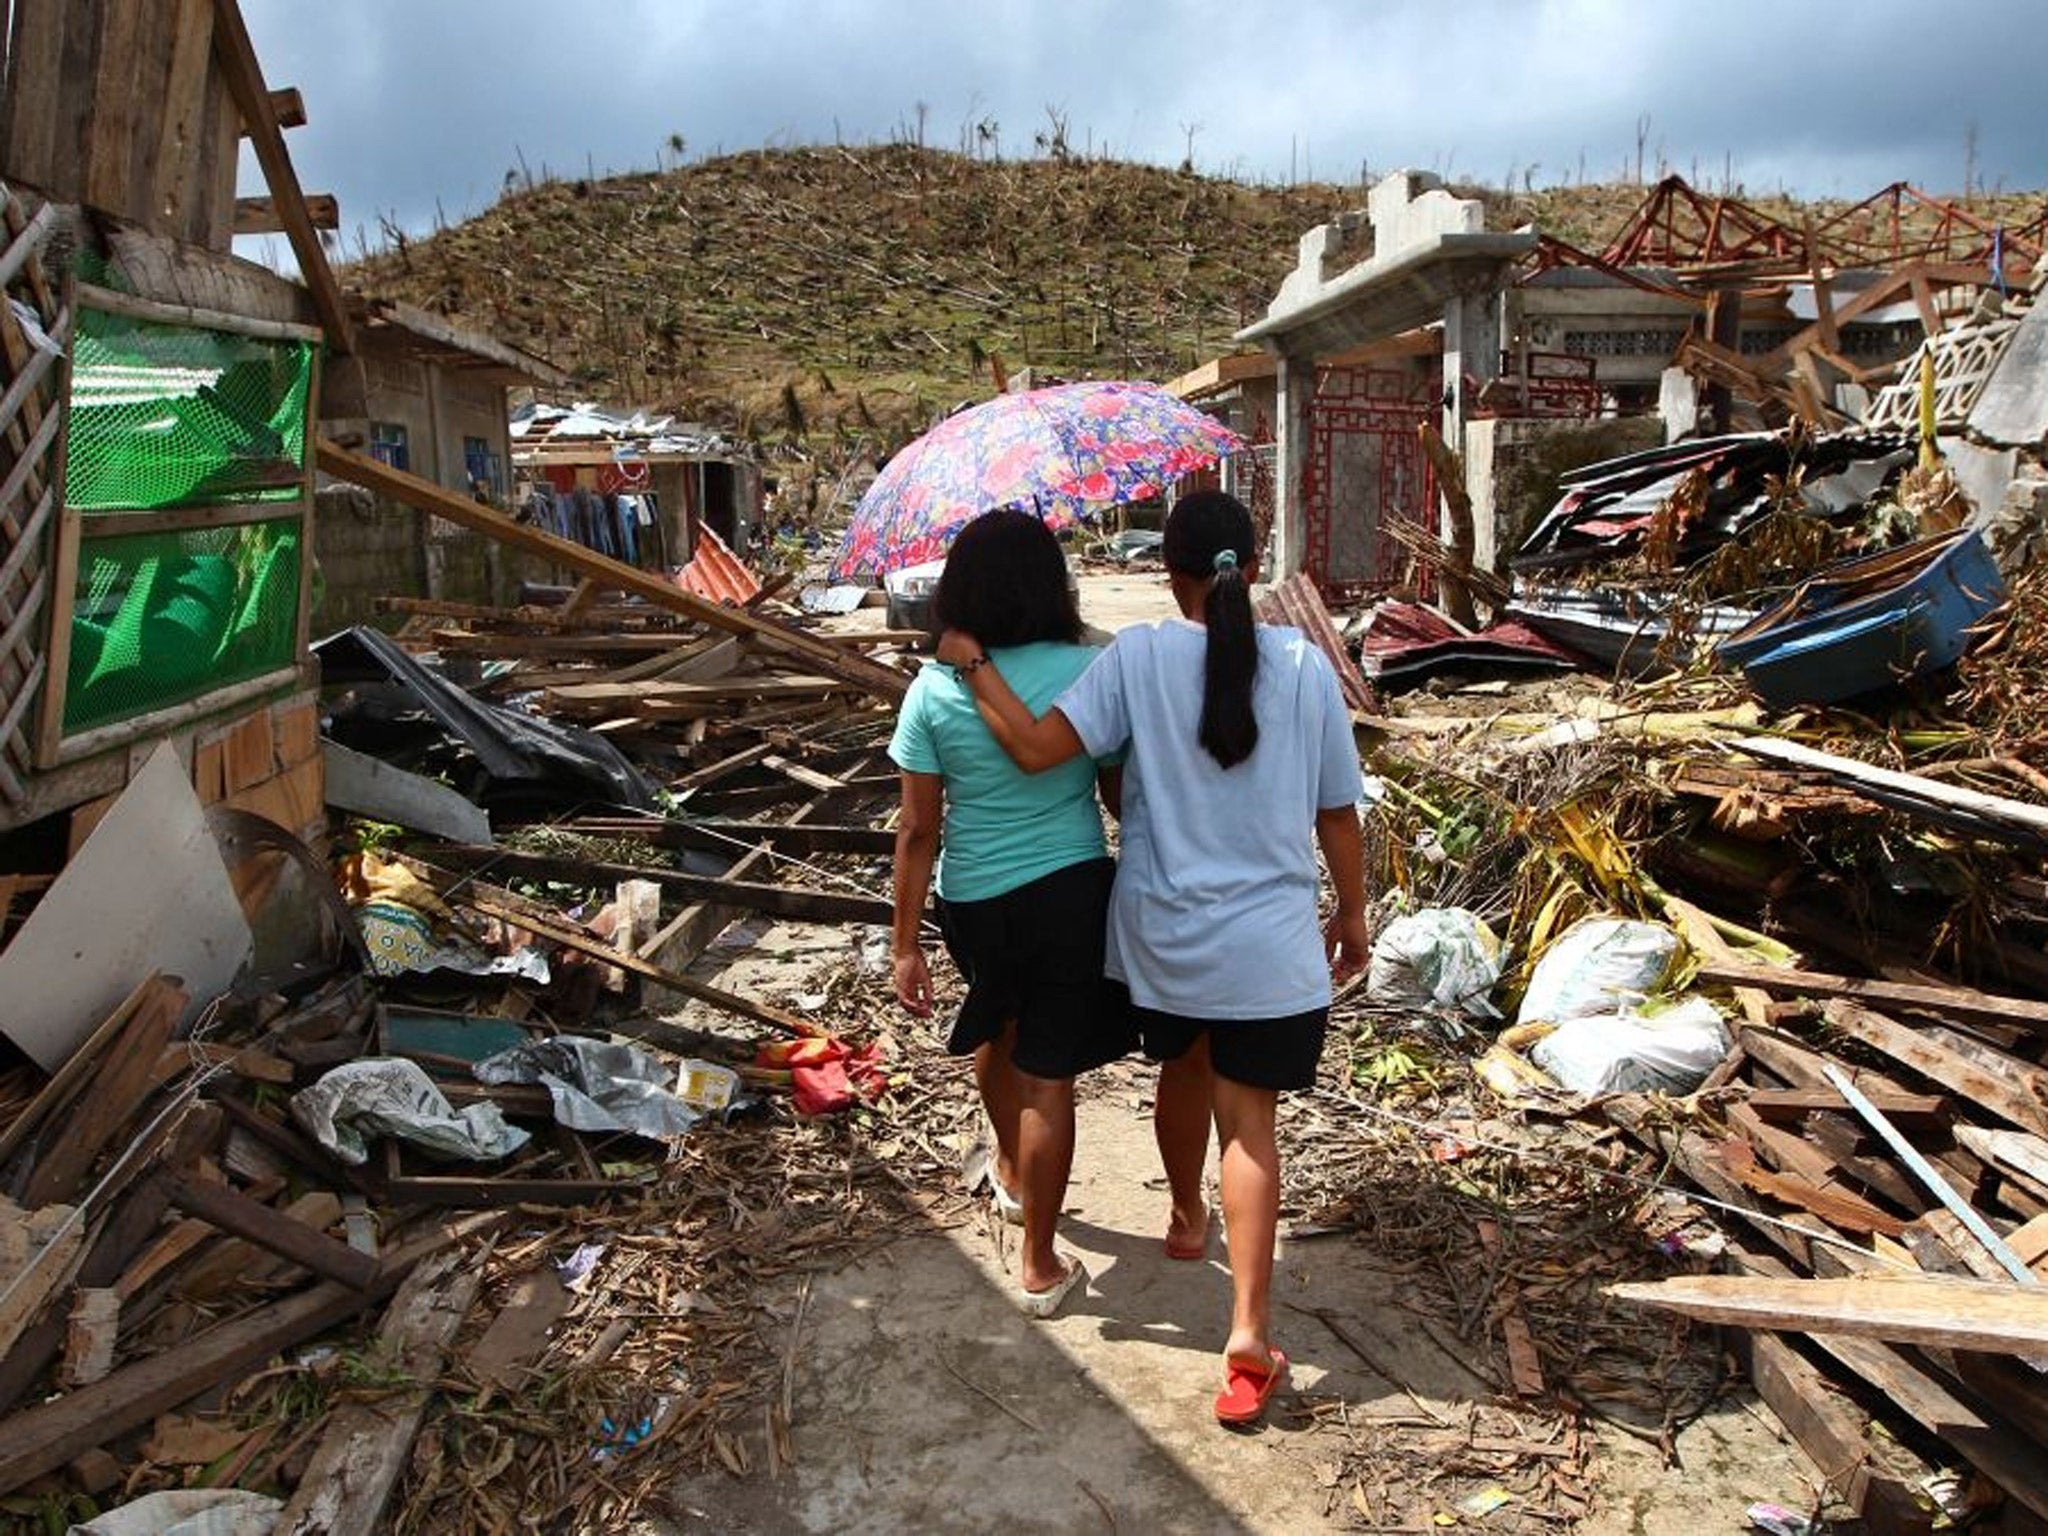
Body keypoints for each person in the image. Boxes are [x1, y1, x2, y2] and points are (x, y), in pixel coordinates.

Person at [936, 489, 1369, 1425]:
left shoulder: (1134, 658)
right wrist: (1354, 920)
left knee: (1185, 1061)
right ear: (1251, 570)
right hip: (1273, 948)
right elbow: (1338, 814)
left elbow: (1040, 749)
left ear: (1167, 574)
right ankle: (1248, 1330)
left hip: (1167, 942)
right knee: (1249, 1121)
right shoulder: (1304, 669)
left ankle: (1184, 1220)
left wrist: (973, 665)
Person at [888, 508, 1132, 1318]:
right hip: (1070, 891)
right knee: (1049, 1074)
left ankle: (1013, 1175)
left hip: (974, 899)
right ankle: (1037, 1262)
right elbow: (1117, 792)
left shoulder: (934, 685)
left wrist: (904, 945)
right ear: (1049, 584)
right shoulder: (1090, 669)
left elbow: (919, 830)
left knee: (997, 1026)